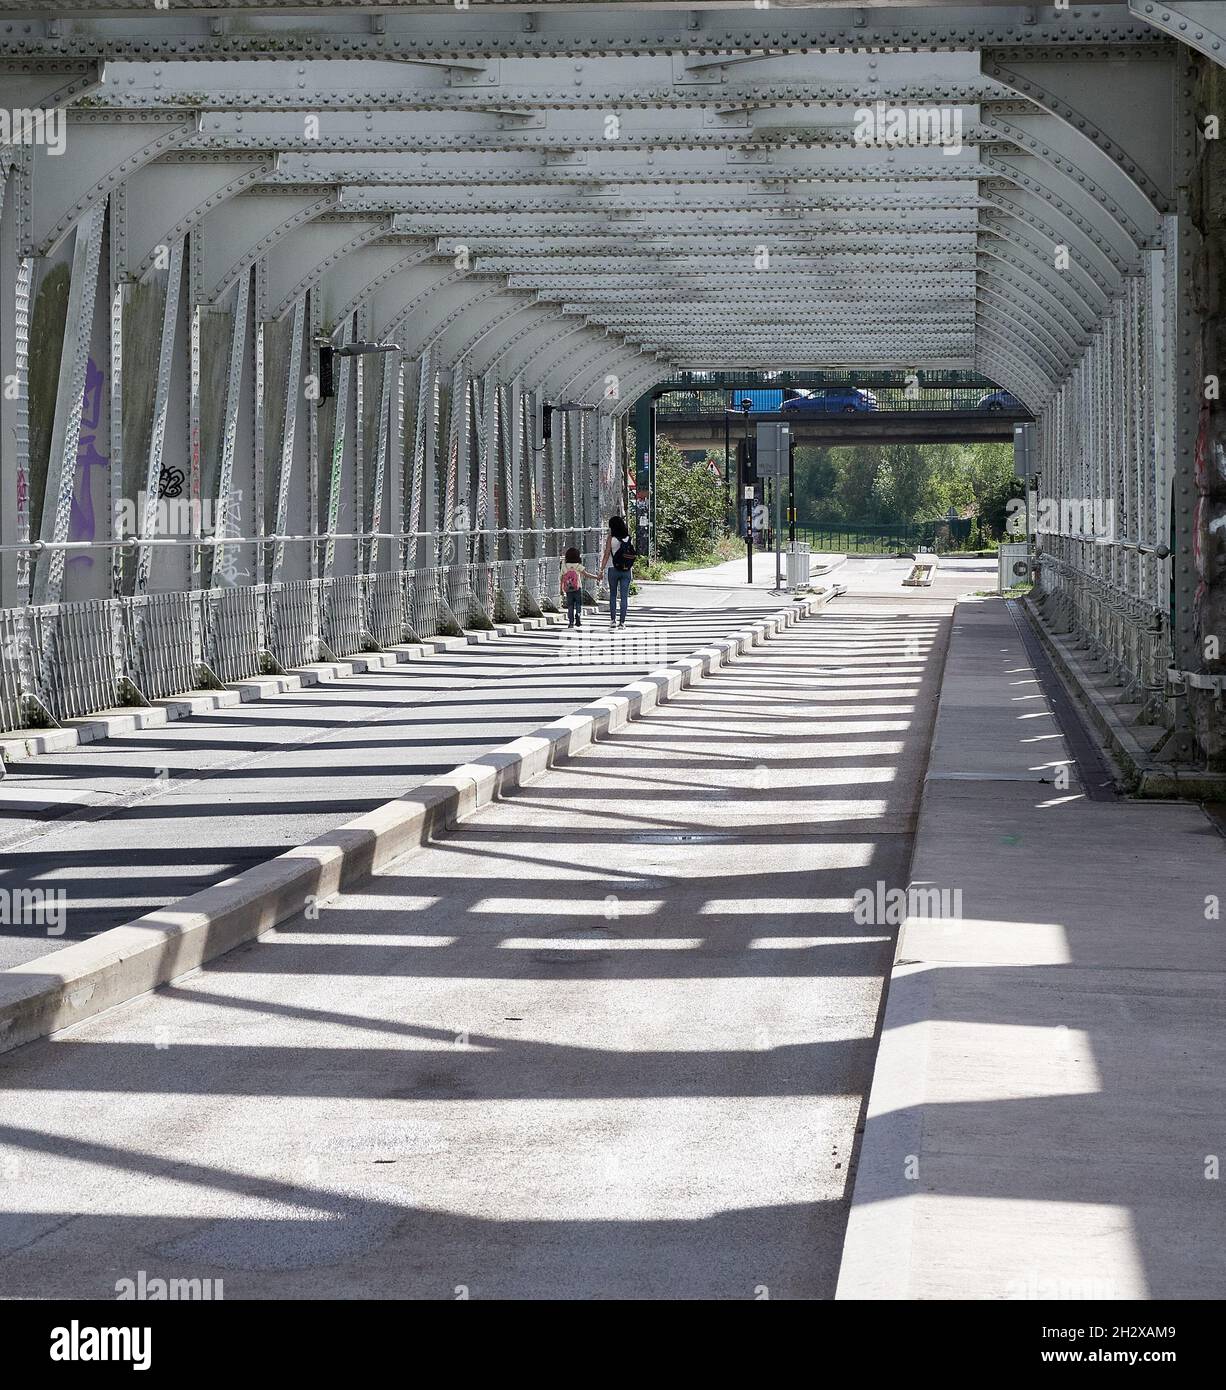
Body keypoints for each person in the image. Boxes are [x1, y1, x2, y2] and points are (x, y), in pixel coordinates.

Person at [599, 516, 636, 628]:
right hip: (626, 570)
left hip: (613, 568)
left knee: (613, 595)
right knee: (624, 597)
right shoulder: (628, 538)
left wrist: (601, 569)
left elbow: (606, 555)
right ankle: (622, 622)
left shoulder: (611, 538)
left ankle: (613, 621)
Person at [560, 547, 597, 628]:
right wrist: (596, 577)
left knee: (570, 605)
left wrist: (561, 588)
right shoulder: (578, 566)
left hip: (568, 588)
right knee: (578, 604)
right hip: (577, 587)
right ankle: (578, 614)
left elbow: (562, 578)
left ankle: (571, 622)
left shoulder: (564, 566)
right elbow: (586, 574)